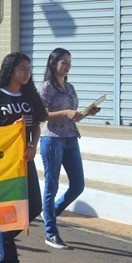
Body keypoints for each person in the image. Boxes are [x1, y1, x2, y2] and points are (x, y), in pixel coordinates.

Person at [0, 52, 47, 263]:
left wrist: (33, 145)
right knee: (9, 210)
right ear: (10, 71)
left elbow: (35, 125)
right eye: (22, 69)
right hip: (3, 162)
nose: (27, 73)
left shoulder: (30, 95)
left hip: (25, 159)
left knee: (34, 207)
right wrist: (10, 129)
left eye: (28, 69)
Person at [38, 48, 98, 250]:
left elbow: (72, 113)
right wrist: (65, 112)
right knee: (51, 186)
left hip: (71, 138)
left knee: (78, 185)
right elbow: (41, 115)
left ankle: (51, 212)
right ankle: (51, 232)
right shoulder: (47, 87)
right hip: (52, 139)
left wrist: (84, 113)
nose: (67, 66)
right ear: (53, 63)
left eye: (70, 62)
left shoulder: (70, 87)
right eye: (64, 62)